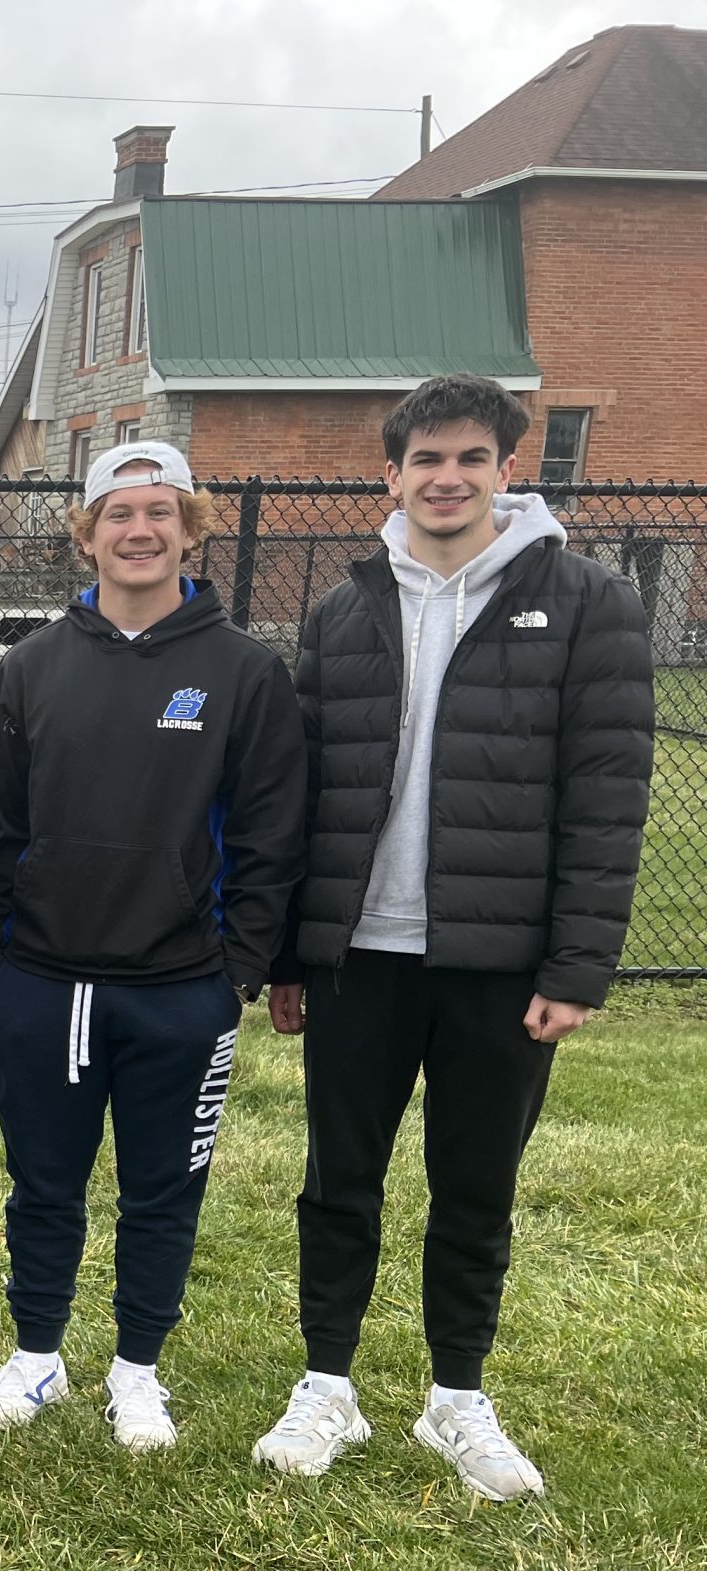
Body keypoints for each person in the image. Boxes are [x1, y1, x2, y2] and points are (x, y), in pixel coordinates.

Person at [252, 375, 653, 1500]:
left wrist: (575, 964)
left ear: (506, 469)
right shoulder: (342, 611)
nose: (446, 479)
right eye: (425, 460)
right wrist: (291, 951)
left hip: (500, 964)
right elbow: (307, 796)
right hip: (358, 958)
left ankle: (456, 1398)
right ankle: (324, 1383)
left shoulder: (586, 603)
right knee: (340, 1182)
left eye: (469, 458)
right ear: (391, 474)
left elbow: (607, 794)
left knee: (473, 1186)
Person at [0, 443, 305, 1449]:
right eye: (118, 513)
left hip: (179, 989)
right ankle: (35, 1357)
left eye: (160, 511)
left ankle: (136, 1372)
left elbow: (269, 835)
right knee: (43, 1183)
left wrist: (235, 970)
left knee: (162, 1191)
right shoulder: (30, 666)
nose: (139, 529)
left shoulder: (242, 670)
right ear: (87, 534)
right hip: (45, 983)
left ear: (190, 529)